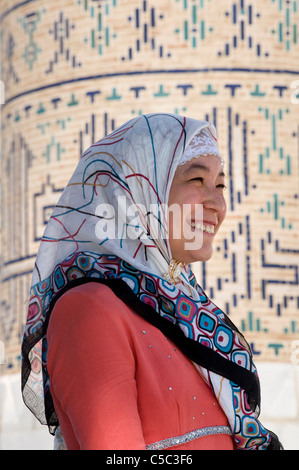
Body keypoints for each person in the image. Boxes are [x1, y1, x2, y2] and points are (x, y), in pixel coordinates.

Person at [21, 113, 282, 450]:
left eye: (220, 184)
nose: (217, 203)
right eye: (196, 180)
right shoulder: (89, 310)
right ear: (141, 192)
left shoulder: (185, 313)